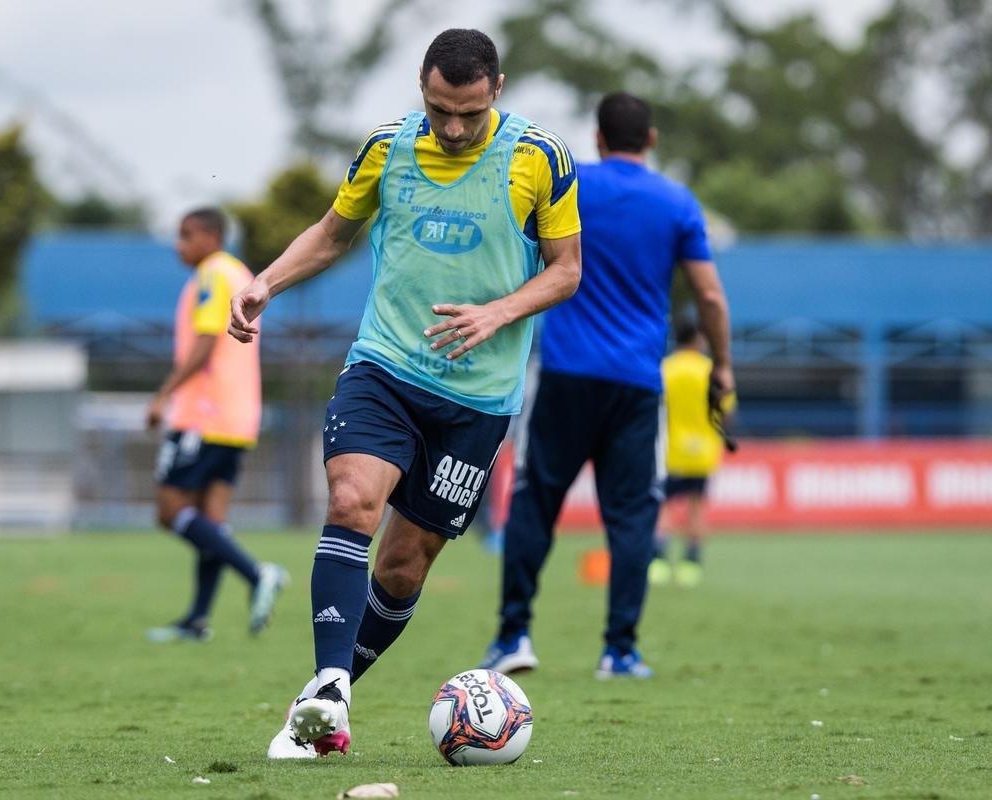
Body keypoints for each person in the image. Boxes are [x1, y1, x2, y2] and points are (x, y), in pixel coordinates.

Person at [227, 29, 581, 758]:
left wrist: (498, 312)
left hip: (478, 400)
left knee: (402, 565)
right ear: (422, 84)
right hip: (385, 367)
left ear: (497, 90)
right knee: (352, 501)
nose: (453, 128)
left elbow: (566, 269)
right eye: (440, 109)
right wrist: (266, 282)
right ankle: (330, 688)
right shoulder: (386, 149)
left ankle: (323, 700)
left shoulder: (539, 157)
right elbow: (333, 234)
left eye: (469, 114)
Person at [480, 92, 733, 679]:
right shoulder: (676, 201)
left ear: (597, 138)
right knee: (632, 516)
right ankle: (619, 650)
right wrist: (722, 364)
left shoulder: (572, 184)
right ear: (651, 140)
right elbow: (709, 295)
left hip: (565, 374)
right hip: (636, 384)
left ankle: (513, 635)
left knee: (535, 503)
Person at [146, 207, 287, 643]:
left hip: (203, 414)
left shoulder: (211, 273)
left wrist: (164, 393)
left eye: (186, 235)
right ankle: (197, 621)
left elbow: (206, 341)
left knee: (170, 511)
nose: (179, 245)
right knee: (211, 520)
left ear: (211, 237)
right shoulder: (240, 273)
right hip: (238, 416)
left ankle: (257, 574)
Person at [649, 319, 737, 588]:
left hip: (670, 450)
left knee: (664, 507)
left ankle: (658, 562)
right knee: (697, 508)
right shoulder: (711, 371)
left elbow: (651, 407)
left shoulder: (665, 369)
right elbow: (727, 410)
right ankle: (691, 565)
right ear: (698, 340)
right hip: (703, 451)